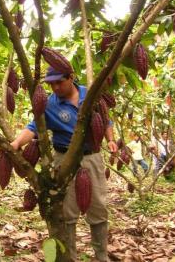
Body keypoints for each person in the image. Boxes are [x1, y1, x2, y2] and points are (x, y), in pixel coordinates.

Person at [11, 66, 118, 262]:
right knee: (67, 210)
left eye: (59, 82)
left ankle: (102, 256)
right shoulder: (50, 104)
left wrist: (110, 139)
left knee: (98, 207)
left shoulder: (90, 94)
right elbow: (34, 127)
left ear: (71, 77)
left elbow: (106, 121)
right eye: (51, 84)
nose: (55, 87)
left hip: (91, 156)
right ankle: (70, 258)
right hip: (63, 158)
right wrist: (17, 143)